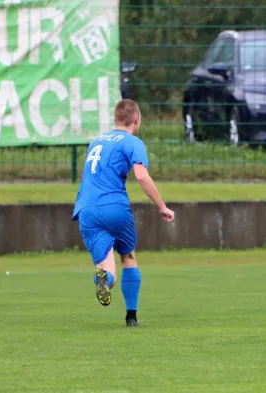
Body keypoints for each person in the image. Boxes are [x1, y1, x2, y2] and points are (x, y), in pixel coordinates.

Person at [72, 99, 175, 327]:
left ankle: (104, 280)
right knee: (128, 257)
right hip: (114, 207)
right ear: (136, 119)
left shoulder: (96, 141)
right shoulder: (132, 142)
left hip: (86, 209)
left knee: (107, 270)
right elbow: (140, 176)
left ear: (115, 119)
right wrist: (162, 206)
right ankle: (131, 317)